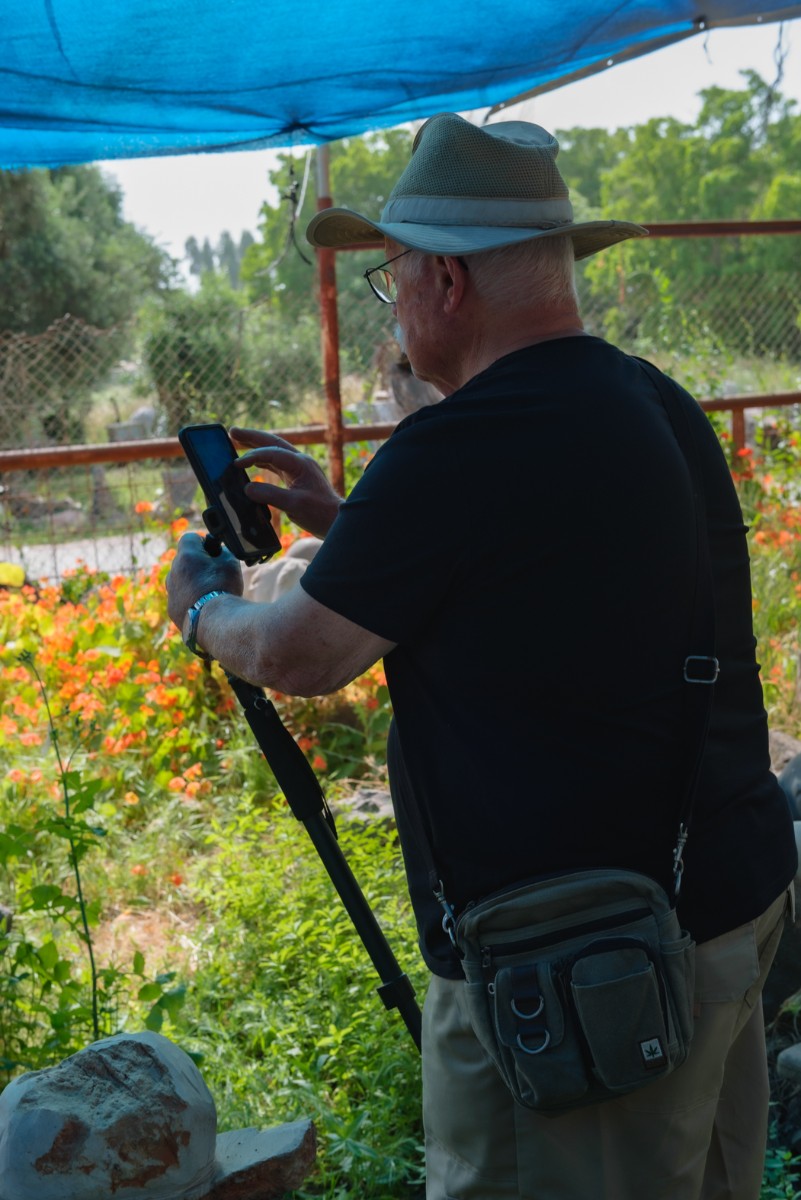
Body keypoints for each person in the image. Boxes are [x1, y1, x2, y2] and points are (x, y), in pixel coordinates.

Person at [166, 113, 797, 1200]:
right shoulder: (652, 402)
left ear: (447, 280)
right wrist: (355, 527)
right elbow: (546, 580)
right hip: (720, 909)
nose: (392, 300)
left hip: (580, 965)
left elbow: (303, 654)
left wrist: (203, 609)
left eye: (390, 274)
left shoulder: (459, 443)